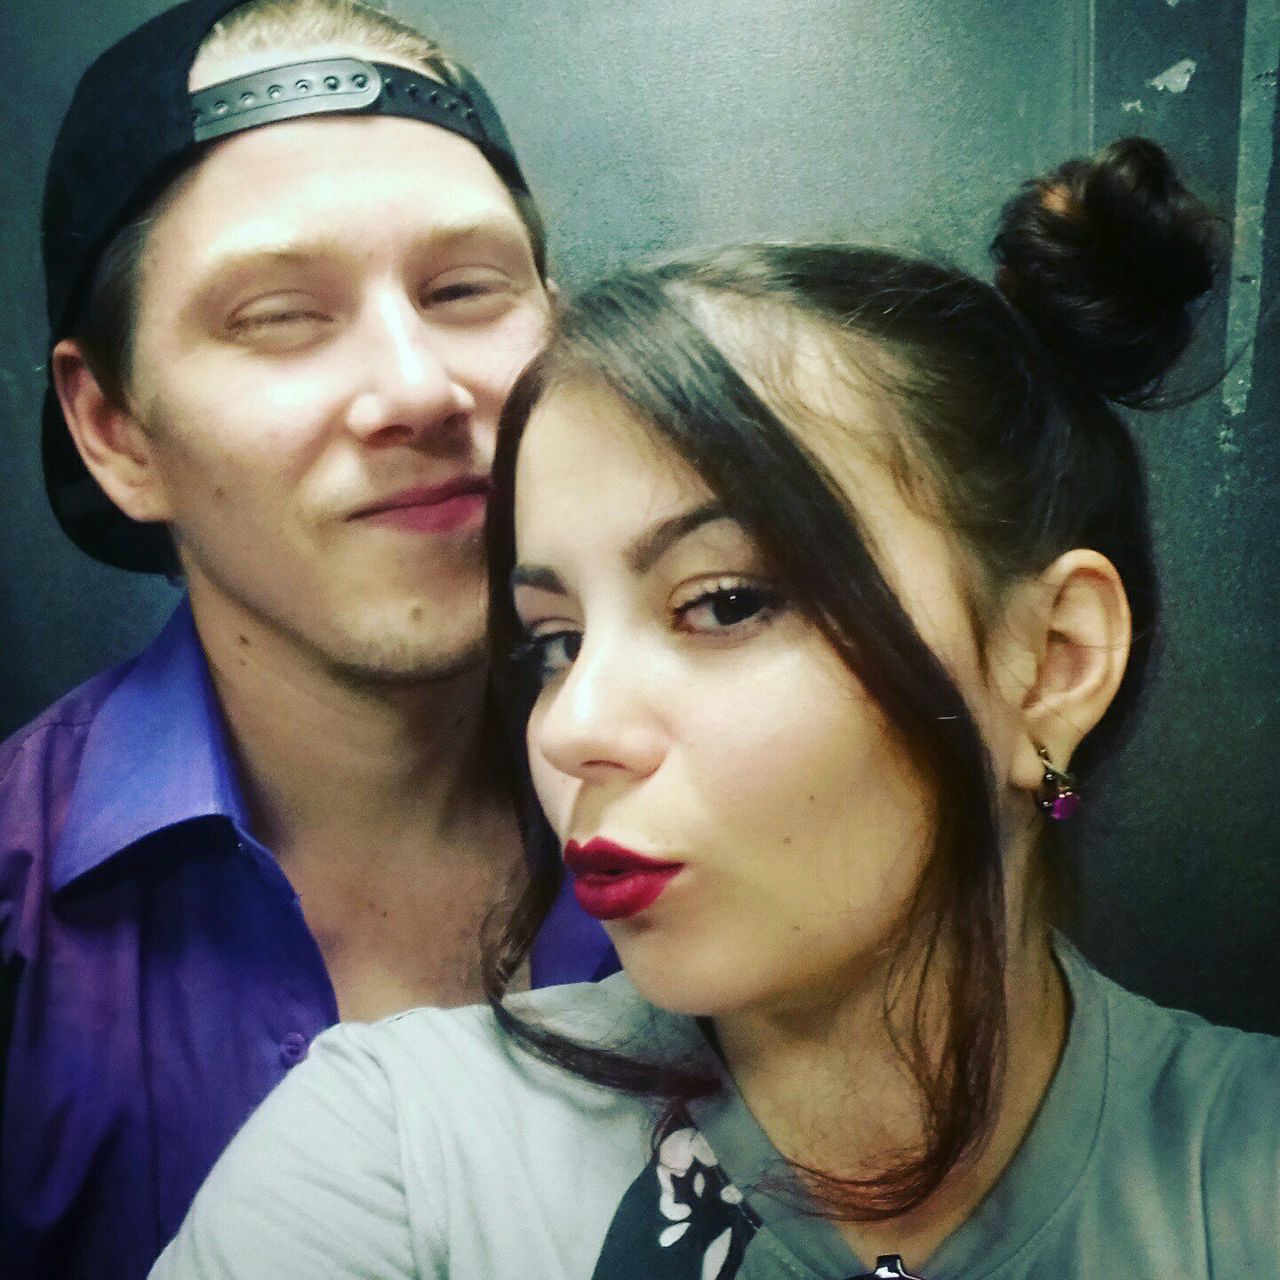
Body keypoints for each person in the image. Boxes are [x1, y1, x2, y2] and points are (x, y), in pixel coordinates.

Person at [157, 137, 1280, 1278]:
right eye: (554, 643)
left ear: (1050, 662)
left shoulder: (1247, 1175)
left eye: (724, 603)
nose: (571, 728)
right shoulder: (396, 1154)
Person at [0, 1, 616, 1276]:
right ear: (114, 430)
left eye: (465, 289)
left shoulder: (761, 807)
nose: (418, 389)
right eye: (279, 313)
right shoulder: (22, 918)